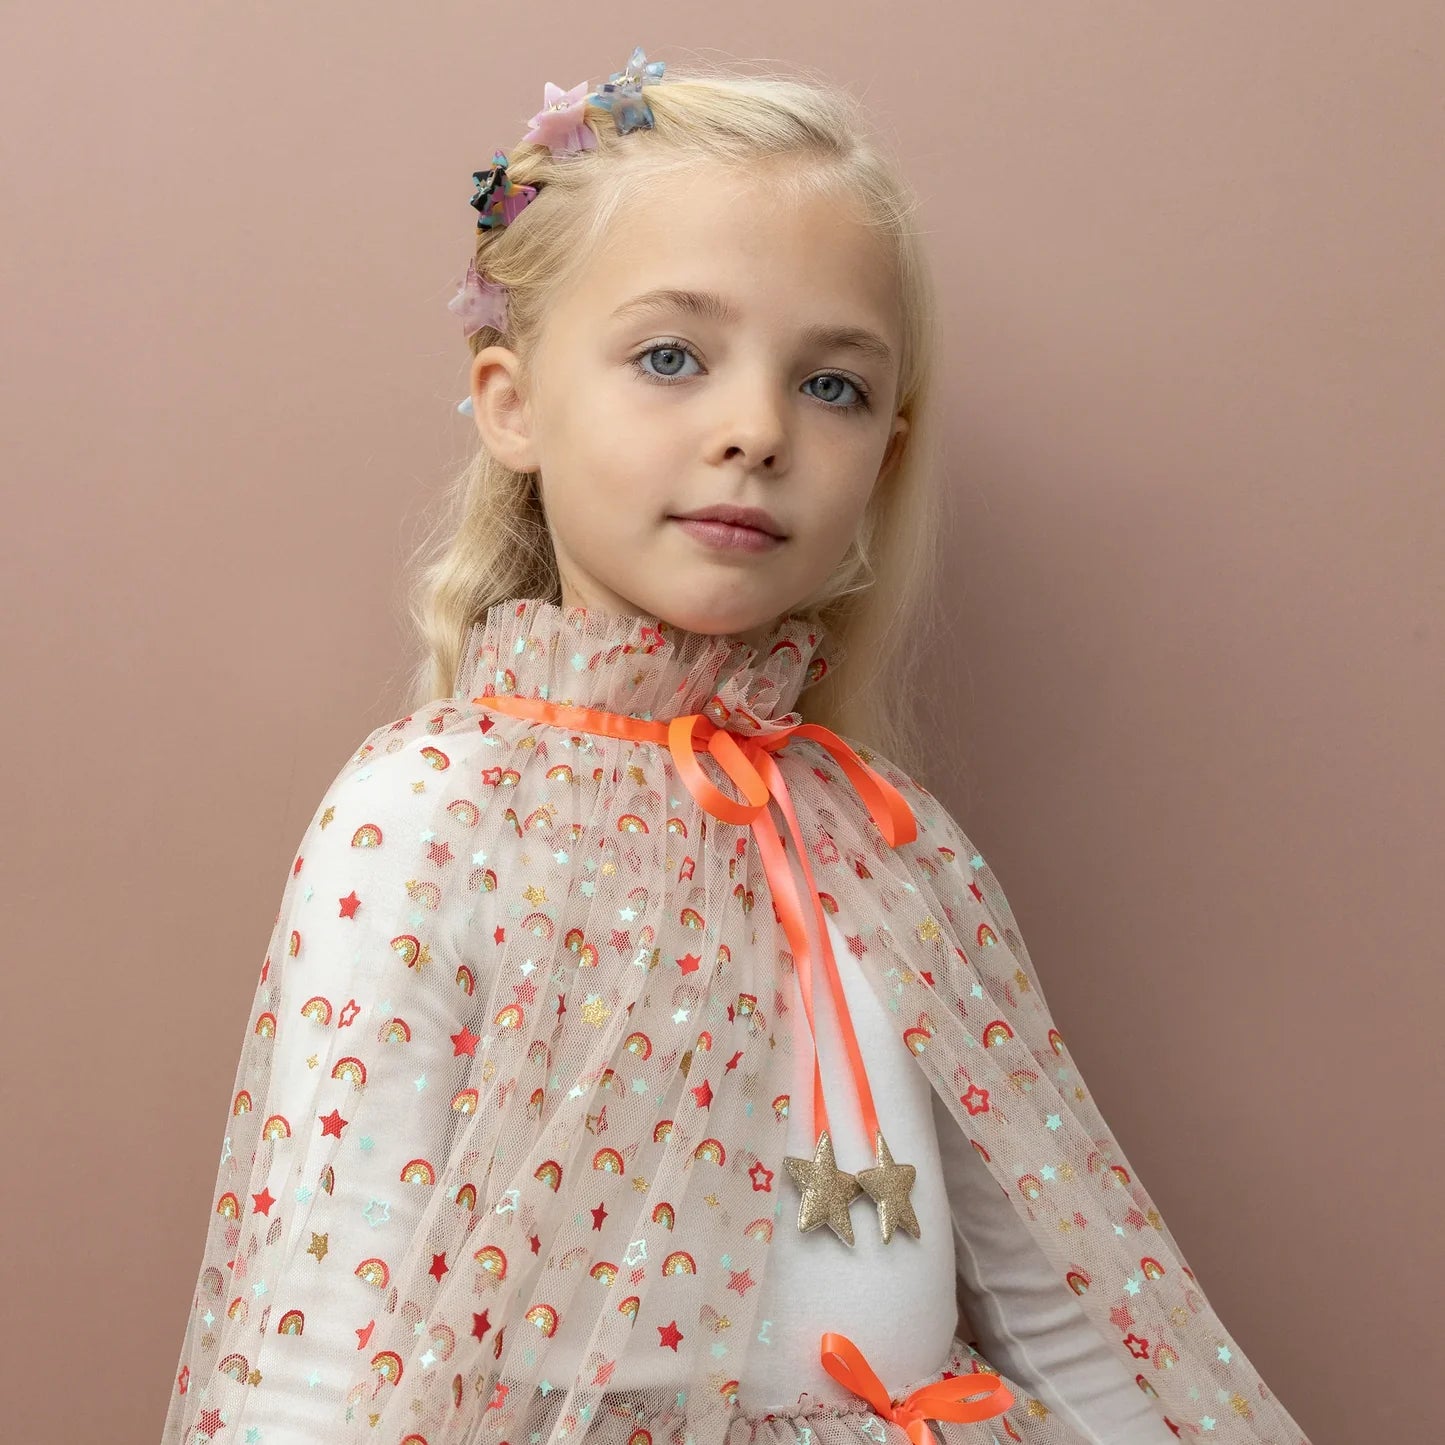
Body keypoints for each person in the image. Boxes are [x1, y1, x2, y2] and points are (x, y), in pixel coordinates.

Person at [160, 47, 1314, 1445]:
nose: (757, 430)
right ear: (512, 402)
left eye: (831, 386)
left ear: (884, 457)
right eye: (670, 358)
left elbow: (1069, 1300)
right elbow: (311, 1351)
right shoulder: (431, 816)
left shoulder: (889, 842)